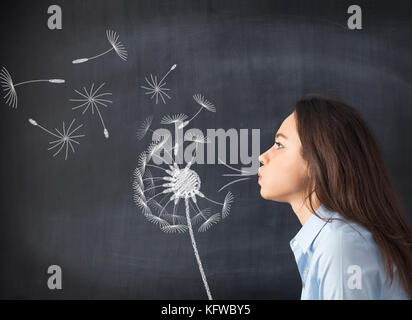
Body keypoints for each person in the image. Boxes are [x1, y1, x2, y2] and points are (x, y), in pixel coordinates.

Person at [258, 94, 412, 299]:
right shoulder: (335, 240)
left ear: (316, 161)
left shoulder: (340, 245)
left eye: (279, 145)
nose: (263, 157)